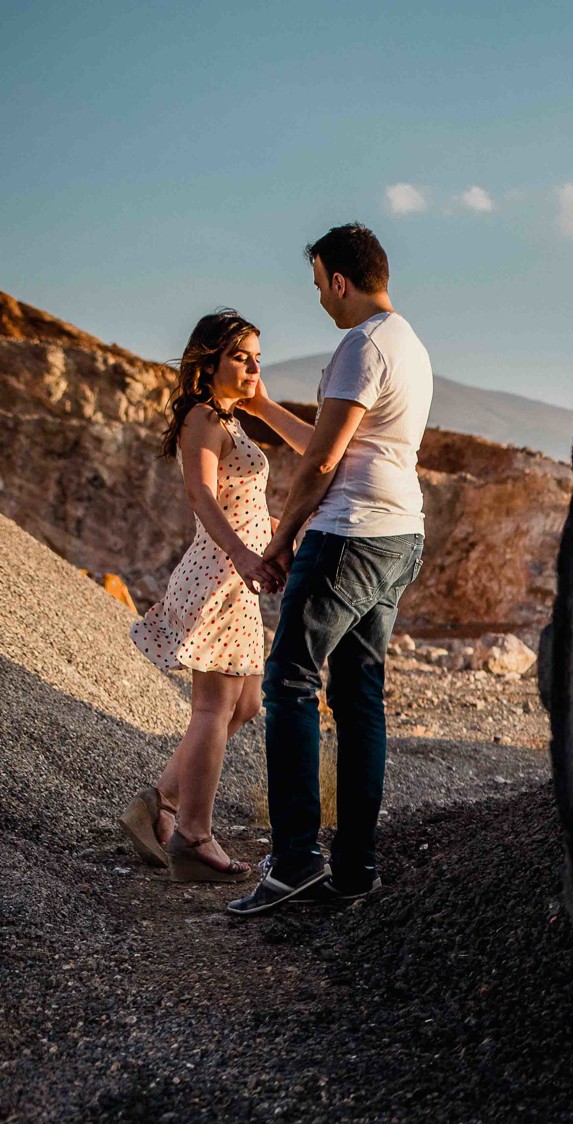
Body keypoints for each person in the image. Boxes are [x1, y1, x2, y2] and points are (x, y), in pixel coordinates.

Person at [226, 222, 430, 917]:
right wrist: (261, 408)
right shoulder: (409, 345)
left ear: (339, 279)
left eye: (319, 285)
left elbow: (322, 462)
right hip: (399, 534)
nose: (320, 299)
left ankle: (294, 862)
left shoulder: (360, 343)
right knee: (357, 695)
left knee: (286, 680)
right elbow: (332, 438)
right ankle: (354, 868)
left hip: (347, 534)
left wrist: (281, 541)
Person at [122, 311, 292, 881]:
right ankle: (193, 837)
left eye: (257, 358)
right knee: (213, 709)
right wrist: (245, 555)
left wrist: (272, 536)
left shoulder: (234, 419)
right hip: (217, 577)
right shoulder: (202, 417)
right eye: (242, 356)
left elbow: (253, 492)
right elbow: (201, 495)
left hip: (237, 580)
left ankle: (158, 804)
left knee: (242, 706)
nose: (252, 367)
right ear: (209, 360)